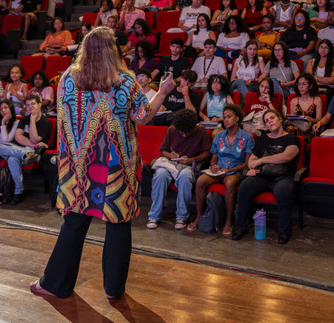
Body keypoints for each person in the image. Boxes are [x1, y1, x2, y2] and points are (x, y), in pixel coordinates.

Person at [30, 27, 174, 300]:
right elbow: (143, 116)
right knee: (118, 225)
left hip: (79, 163)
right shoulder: (125, 82)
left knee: (73, 224)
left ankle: (56, 285)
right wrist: (163, 91)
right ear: (113, 50)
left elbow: (63, 119)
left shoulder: (67, 80)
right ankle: (114, 290)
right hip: (117, 164)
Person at [232, 110, 300, 244]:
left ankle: (284, 231)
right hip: (263, 176)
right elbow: (252, 160)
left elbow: (286, 157)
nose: (270, 122)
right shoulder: (263, 139)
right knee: (245, 186)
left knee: (283, 191)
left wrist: (262, 161)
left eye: (272, 118)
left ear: (280, 119)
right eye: (267, 121)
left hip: (283, 176)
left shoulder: (292, 138)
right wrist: (252, 168)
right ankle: (240, 227)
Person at [190, 104, 253, 234]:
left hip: (235, 170)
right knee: (200, 181)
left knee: (229, 183)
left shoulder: (247, 137)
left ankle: (229, 221)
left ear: (237, 118)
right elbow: (214, 156)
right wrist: (214, 166)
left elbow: (247, 162)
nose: (225, 120)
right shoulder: (219, 136)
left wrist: (229, 170)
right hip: (219, 170)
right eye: (224, 117)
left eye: (229, 117)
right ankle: (199, 216)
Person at [147, 109, 211, 230]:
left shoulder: (201, 131)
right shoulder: (172, 129)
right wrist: (171, 155)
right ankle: (154, 215)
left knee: (185, 177)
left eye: (187, 132)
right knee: (160, 175)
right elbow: (164, 150)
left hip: (188, 165)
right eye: (181, 132)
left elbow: (206, 153)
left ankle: (182, 216)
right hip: (171, 164)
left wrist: (191, 159)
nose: (184, 135)